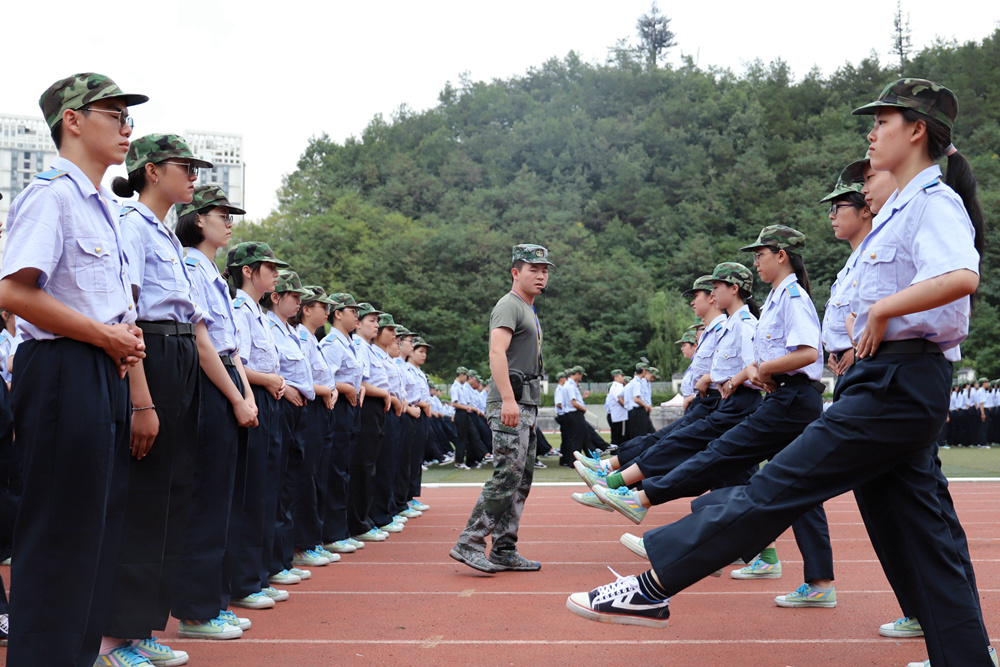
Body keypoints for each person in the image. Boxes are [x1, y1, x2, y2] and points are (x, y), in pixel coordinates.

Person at [567, 78, 994, 667]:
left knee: (780, 484)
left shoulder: (932, 202)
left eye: (883, 123)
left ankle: (657, 582)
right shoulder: (900, 209)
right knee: (924, 531)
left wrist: (883, 311)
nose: (871, 135)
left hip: (899, 384)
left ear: (916, 131)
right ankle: (967, 657)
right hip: (884, 381)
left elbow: (961, 278)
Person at [0, 72, 148, 666]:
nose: (127, 128)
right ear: (73, 119)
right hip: (63, 371)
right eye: (115, 115)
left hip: (100, 372)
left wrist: (119, 338)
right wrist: (104, 334)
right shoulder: (52, 193)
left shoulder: (106, 208)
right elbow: (14, 292)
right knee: (60, 533)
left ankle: (76, 655)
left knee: (96, 533)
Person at [172, 185, 258, 646]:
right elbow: (204, 342)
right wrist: (237, 395)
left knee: (225, 498)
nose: (230, 221)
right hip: (209, 383)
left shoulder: (213, 274)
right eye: (222, 214)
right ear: (198, 219)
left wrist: (245, 392)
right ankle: (197, 610)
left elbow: (232, 348)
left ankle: (215, 601)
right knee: (206, 500)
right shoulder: (189, 264)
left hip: (229, 379)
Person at [450, 244, 552, 573]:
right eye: (532, 269)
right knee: (506, 476)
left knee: (520, 480)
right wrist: (508, 399)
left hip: (525, 403)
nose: (540, 275)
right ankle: (470, 542)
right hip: (511, 403)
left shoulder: (528, 309)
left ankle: (504, 548)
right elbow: (497, 353)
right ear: (515, 272)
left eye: (544, 270)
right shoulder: (509, 306)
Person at [225, 242, 291, 610]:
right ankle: (245, 580)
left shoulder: (259, 313)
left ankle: (258, 574)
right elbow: (237, 362)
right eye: (269, 267)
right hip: (254, 397)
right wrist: (266, 381)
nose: (275, 273)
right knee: (250, 492)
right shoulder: (240, 308)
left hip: (268, 397)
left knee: (266, 489)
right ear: (248, 271)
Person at [604, 369, 628, 447]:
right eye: (622, 376)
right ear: (616, 377)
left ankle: (615, 454)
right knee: (618, 437)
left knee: (619, 436)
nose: (623, 377)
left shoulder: (618, 386)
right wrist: (628, 407)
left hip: (619, 416)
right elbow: (620, 399)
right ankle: (615, 454)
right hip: (619, 416)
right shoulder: (616, 386)